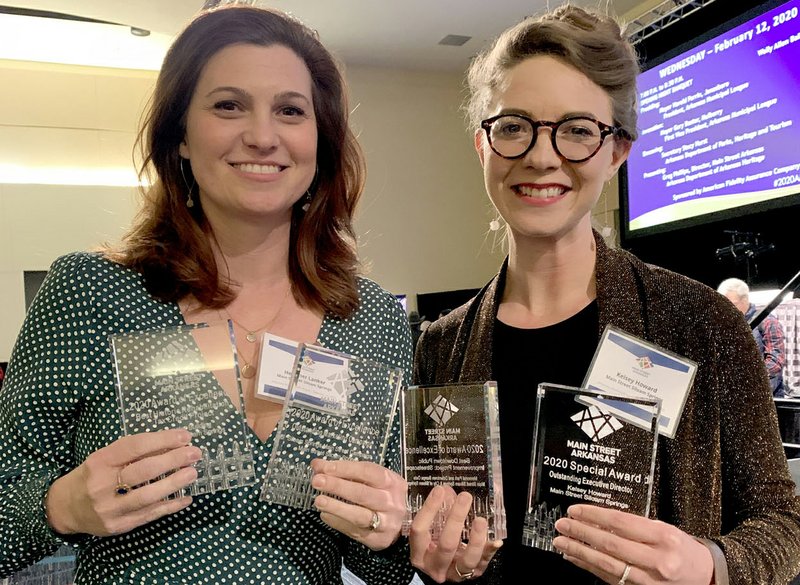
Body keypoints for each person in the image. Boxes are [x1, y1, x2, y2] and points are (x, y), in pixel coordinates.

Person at [0, 5, 415, 584]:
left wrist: (393, 529)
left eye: (290, 111)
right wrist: (62, 507)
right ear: (181, 139)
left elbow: (382, 564)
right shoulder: (92, 292)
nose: (262, 136)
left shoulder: (370, 319)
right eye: (228, 105)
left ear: (319, 142)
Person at [409, 5, 800, 585]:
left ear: (617, 150)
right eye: (514, 126)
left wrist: (711, 565)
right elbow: (430, 529)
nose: (542, 156)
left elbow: (782, 524)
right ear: (482, 146)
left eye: (577, 130)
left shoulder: (701, 324)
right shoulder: (441, 348)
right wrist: (430, 547)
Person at [717, 277, 787, 397]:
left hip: (764, 396)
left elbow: (775, 361)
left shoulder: (767, 321)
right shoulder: (725, 324)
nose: (726, 309)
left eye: (731, 304)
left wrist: (748, 377)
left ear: (745, 300)